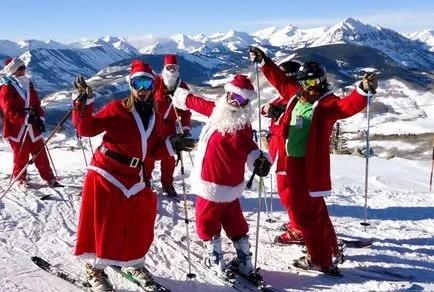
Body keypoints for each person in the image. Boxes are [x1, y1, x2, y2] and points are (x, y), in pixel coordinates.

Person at [249, 47, 378, 275]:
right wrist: (264, 62)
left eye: (314, 82)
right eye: (305, 82)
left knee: (305, 214)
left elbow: (346, 106)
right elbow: (279, 80)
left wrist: (362, 91)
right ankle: (329, 247)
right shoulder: (296, 96)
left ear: (322, 81)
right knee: (315, 209)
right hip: (291, 162)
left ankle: (320, 259)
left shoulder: (326, 105)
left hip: (307, 166)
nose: (310, 87)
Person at [72, 60, 195, 291]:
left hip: (135, 175)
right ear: (130, 84)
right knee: (105, 223)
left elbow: (154, 149)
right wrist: (82, 103)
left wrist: (173, 143)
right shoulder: (117, 109)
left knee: (140, 221)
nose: (143, 88)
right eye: (137, 82)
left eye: (147, 82)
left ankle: (133, 262)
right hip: (107, 172)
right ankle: (94, 269)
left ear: (153, 85)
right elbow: (85, 129)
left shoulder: (156, 117)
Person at [172, 74, 272, 278]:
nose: (235, 102)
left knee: (206, 220)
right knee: (233, 218)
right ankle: (244, 260)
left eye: (241, 100)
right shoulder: (220, 111)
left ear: (247, 103)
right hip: (230, 186)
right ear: (226, 94)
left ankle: (215, 258)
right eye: (232, 96)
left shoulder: (241, 127)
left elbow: (250, 147)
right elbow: (200, 104)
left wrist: (259, 160)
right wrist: (178, 94)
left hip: (212, 183)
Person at [260, 60, 306, 244]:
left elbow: (298, 125)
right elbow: (265, 109)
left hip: (289, 154)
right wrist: (269, 109)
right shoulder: (284, 98)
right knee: (285, 191)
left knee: (288, 191)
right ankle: (297, 222)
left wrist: (279, 113)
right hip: (279, 152)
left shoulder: (298, 100)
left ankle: (299, 228)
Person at [0, 57, 60, 189]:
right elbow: (8, 110)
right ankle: (20, 178)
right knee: (21, 155)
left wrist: (40, 119)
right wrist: (25, 119)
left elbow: (36, 103)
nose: (22, 71)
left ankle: (49, 177)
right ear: (12, 70)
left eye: (23, 68)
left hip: (33, 125)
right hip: (18, 127)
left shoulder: (29, 84)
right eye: (19, 68)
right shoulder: (6, 88)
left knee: (40, 152)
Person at [145, 54, 192, 196]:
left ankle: (167, 184)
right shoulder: (157, 82)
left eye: (174, 68)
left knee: (169, 158)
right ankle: (145, 181)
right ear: (164, 68)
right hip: (154, 125)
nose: (172, 70)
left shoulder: (182, 87)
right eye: (169, 67)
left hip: (170, 126)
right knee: (149, 155)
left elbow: (185, 111)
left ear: (178, 69)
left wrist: (185, 127)